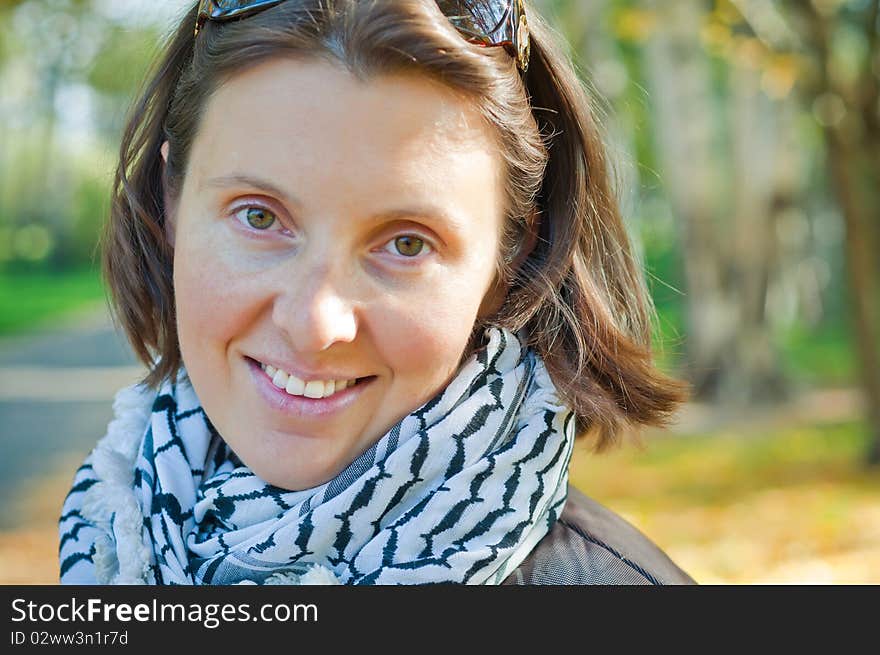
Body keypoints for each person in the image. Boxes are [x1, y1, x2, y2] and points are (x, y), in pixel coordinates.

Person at [59, 0, 694, 585]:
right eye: (258, 217)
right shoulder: (115, 530)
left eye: (407, 243)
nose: (314, 323)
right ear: (172, 202)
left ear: (510, 258)